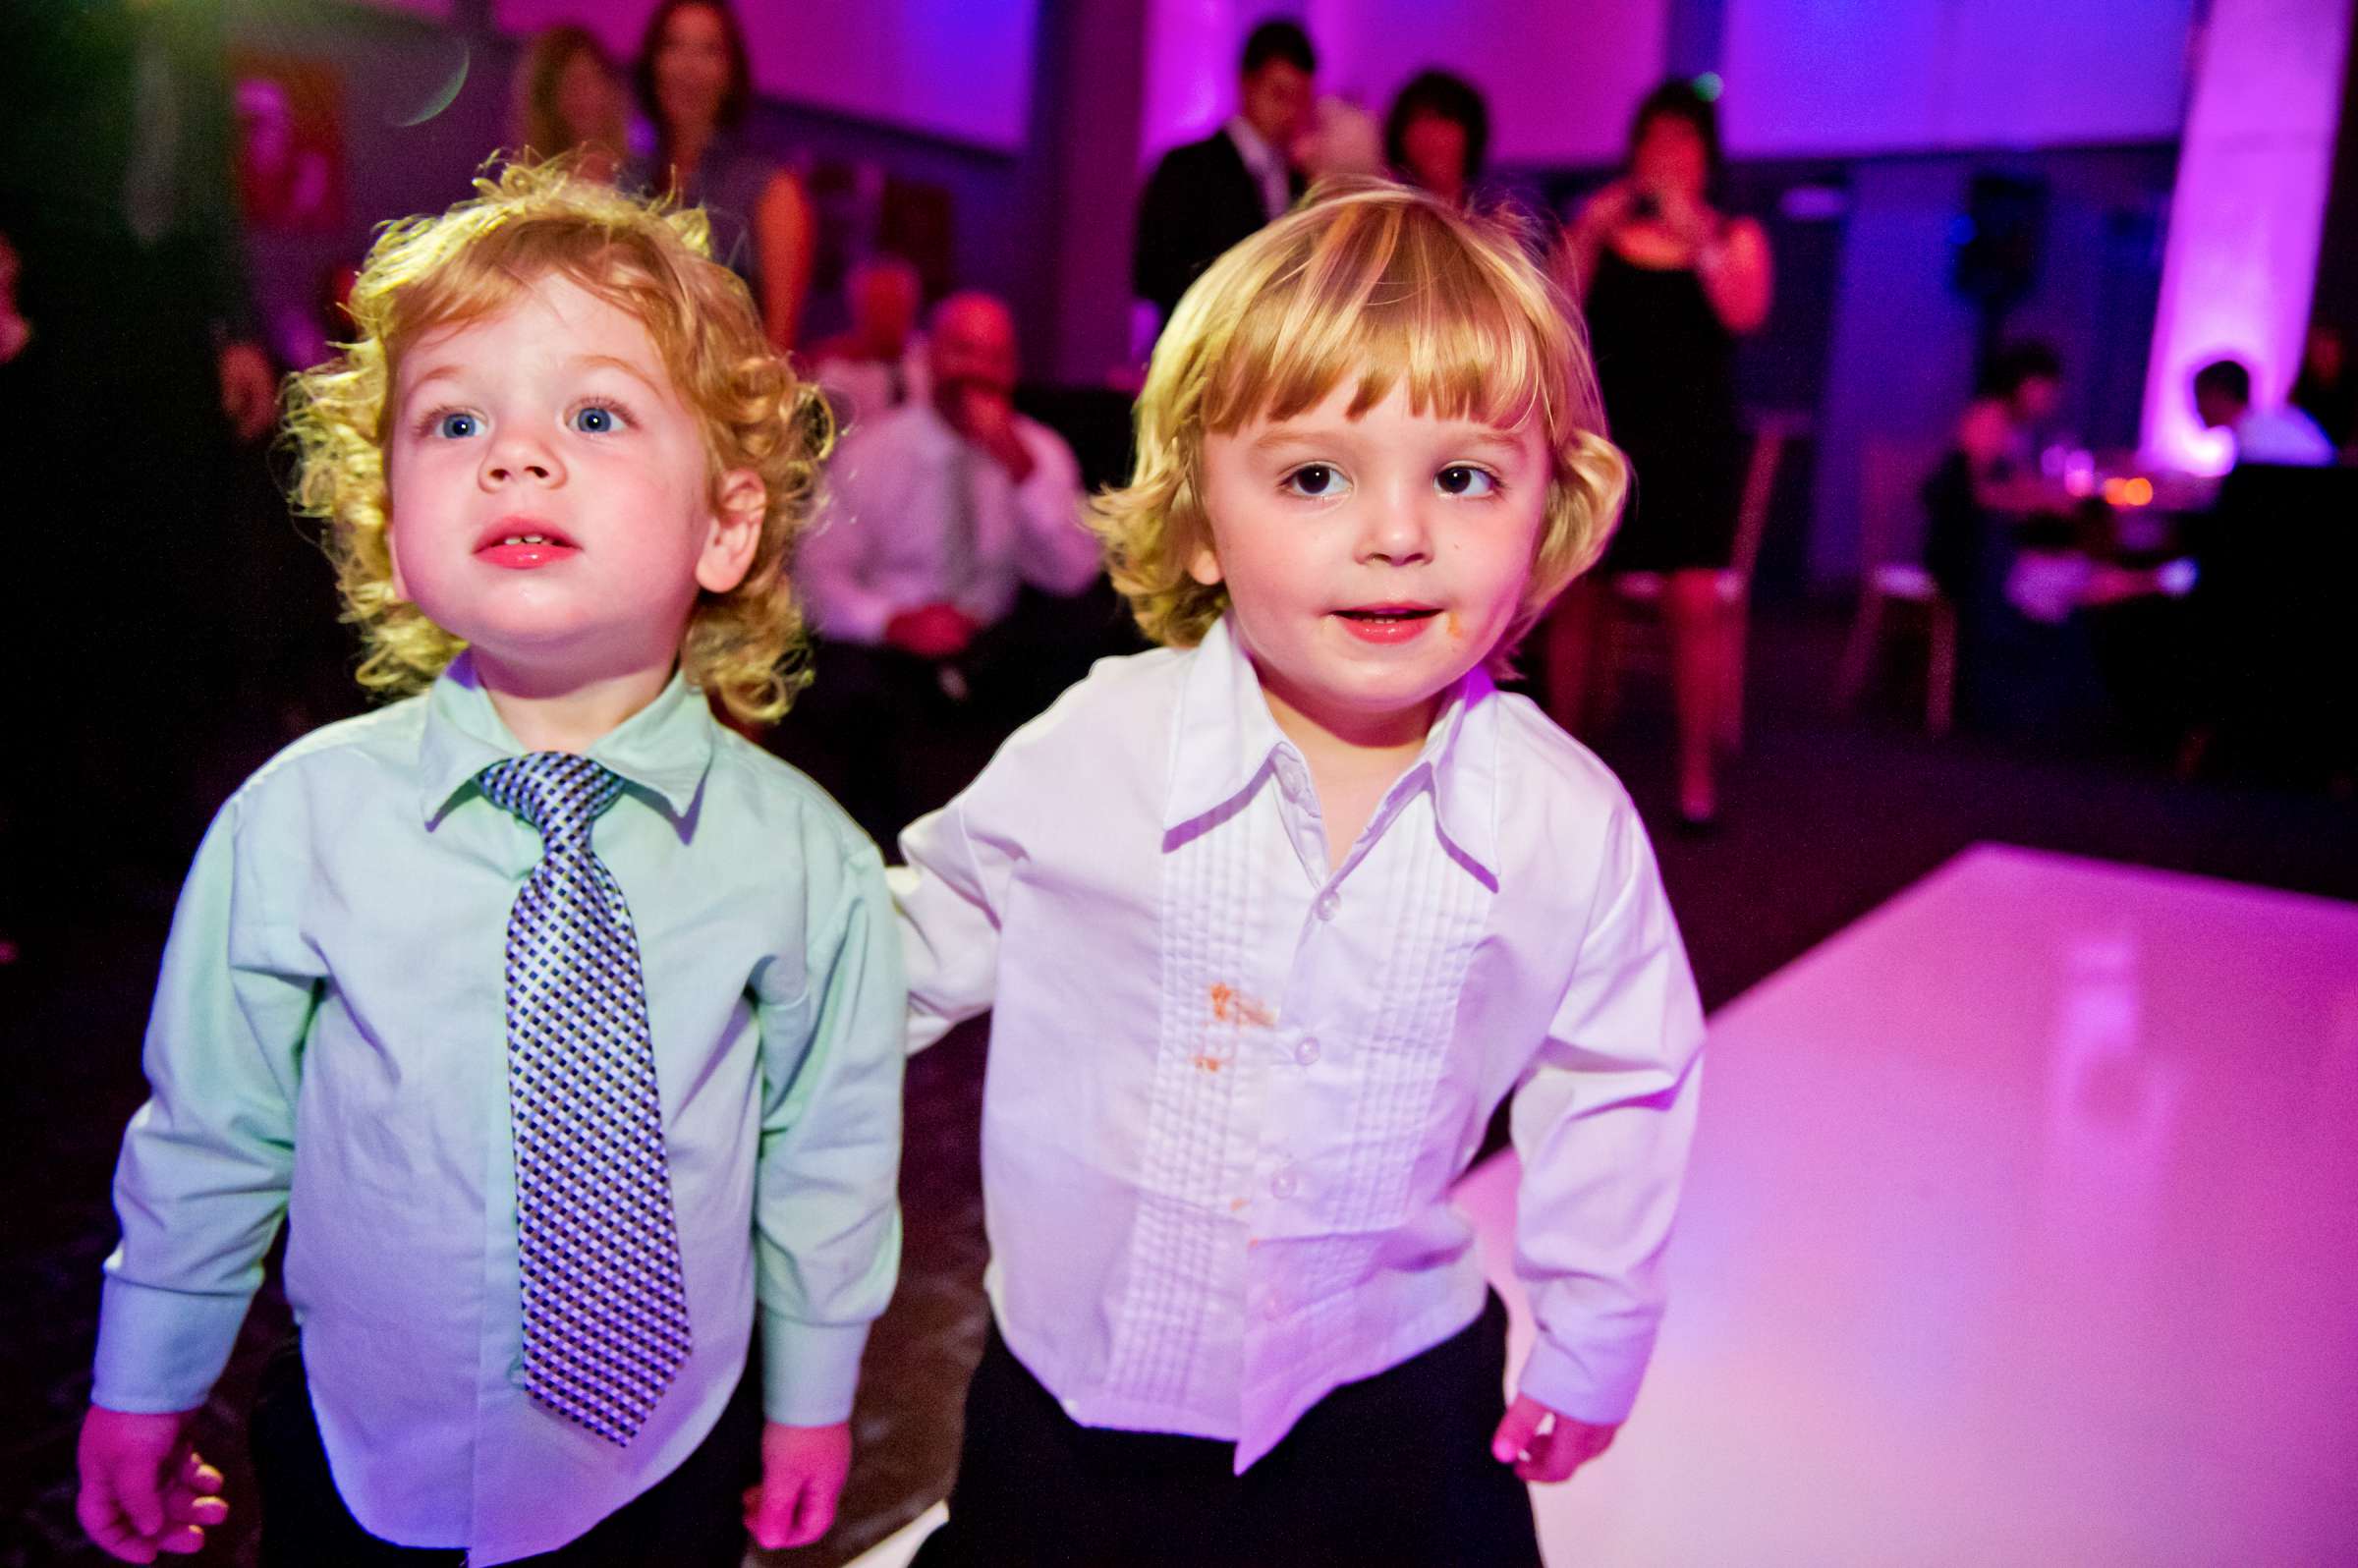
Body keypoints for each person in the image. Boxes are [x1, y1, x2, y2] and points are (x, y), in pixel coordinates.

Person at [73, 163, 905, 1568]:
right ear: (393, 529)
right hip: (359, 1460)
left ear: (724, 525)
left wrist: (813, 1398)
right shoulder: (297, 828)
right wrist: (144, 1376)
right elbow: (212, 1131)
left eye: (594, 414)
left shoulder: (806, 862)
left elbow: (823, 1157)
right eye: (454, 421)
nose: (516, 457)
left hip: (667, 1466)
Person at [894, 182, 1706, 1567]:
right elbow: (908, 947)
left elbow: (1622, 1070)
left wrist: (1598, 1327)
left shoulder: (1566, 822)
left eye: (1462, 476)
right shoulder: (1101, 745)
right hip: (1080, 1401)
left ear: (1544, 514)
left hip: (1392, 1397)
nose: (1397, 533)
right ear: (1202, 517)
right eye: (1315, 475)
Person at [792, 291, 1101, 844]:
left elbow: (1075, 573)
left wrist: (1019, 468)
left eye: (995, 356)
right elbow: (817, 575)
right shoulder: (873, 452)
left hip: (992, 656)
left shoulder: (1037, 452)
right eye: (963, 351)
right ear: (930, 357)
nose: (977, 371)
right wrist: (890, 622)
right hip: (887, 656)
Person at [1545, 78, 1771, 829]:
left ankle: (1695, 780)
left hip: (1694, 450)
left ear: (1707, 156)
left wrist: (1696, 236)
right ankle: (1561, 764)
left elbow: (1746, 311)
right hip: (1612, 442)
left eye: (1681, 142)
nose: (1665, 156)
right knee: (1576, 592)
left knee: (1694, 602)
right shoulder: (1605, 233)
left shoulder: (1734, 235)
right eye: (1653, 141)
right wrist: (1585, 232)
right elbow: (1551, 310)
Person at [628, 0, 814, 352]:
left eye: (708, 51)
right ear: (654, 62)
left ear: (731, 72)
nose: (688, 68)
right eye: (674, 46)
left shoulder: (770, 188)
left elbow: (779, 347)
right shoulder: (629, 181)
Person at [1133, 19, 1317, 329]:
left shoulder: (1299, 180)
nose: (1289, 113)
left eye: (1300, 99)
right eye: (1279, 94)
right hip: (1199, 349)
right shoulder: (1187, 167)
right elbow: (1151, 272)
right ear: (1247, 84)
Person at [808, 252, 929, 430]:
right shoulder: (836, 377)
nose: (888, 318)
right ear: (858, 309)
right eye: (880, 306)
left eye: (896, 304)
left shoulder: (932, 363)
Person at [513, 24, 630, 183]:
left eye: (587, 80)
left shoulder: (642, 177)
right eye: (567, 84)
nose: (580, 94)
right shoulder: (525, 186)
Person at [2192, 356, 2336, 468]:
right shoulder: (2267, 424)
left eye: (2198, 397)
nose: (2196, 409)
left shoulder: (2255, 437)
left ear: (2217, 395)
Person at [1384, 69, 1489, 207]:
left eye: (1443, 118)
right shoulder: (1386, 219)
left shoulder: (1498, 222)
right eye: (1419, 120)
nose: (1431, 134)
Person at [2289, 321, 2354, 453]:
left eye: (2328, 350)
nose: (2323, 356)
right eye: (2319, 349)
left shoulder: (2351, 389)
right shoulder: (2303, 386)